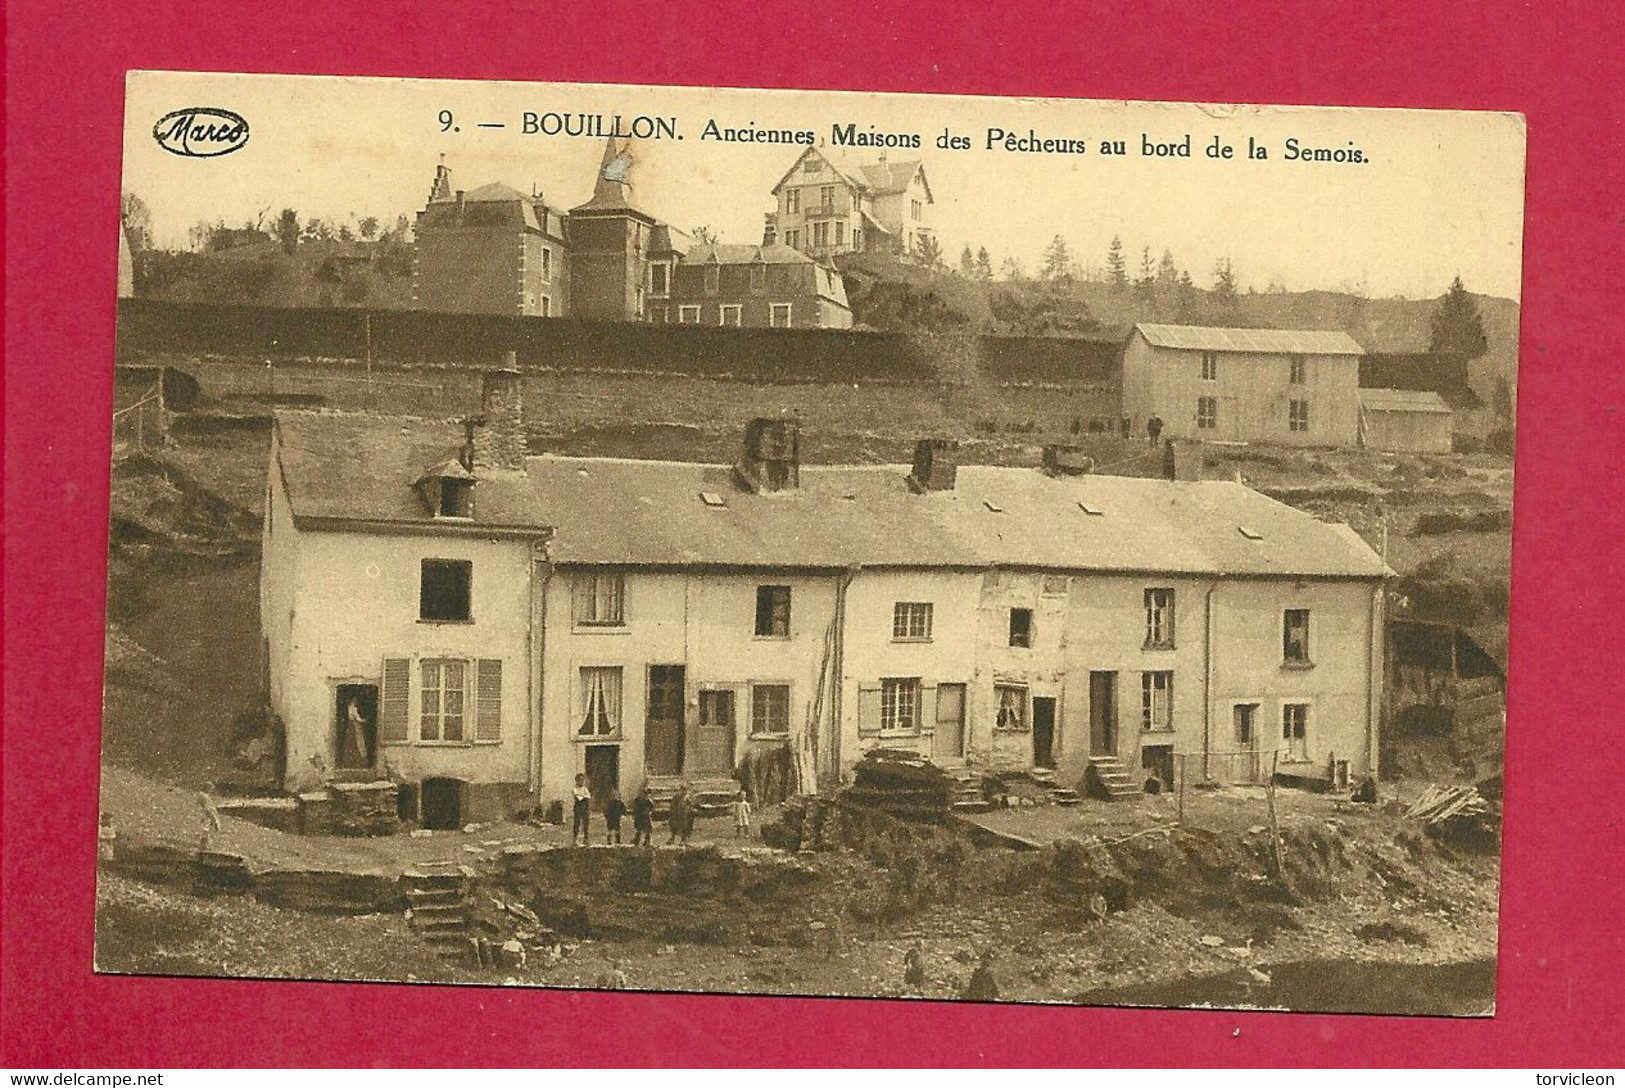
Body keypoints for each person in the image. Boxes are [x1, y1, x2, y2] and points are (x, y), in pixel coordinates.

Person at [571, 773, 592, 846]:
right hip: (578, 808)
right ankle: (575, 839)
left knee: (586, 823)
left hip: (585, 808)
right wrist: (583, 796)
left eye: (583, 780)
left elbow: (588, 796)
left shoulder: (585, 789)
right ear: (576, 781)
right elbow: (578, 797)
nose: (582, 781)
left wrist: (583, 796)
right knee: (577, 823)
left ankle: (586, 839)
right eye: (580, 780)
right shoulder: (575, 789)